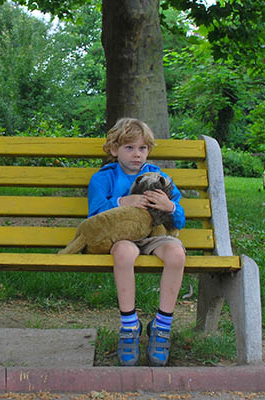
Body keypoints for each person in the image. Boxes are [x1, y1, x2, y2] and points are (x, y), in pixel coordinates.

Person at [87, 118, 186, 367]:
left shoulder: (159, 177)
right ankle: (129, 326)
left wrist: (169, 206)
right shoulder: (104, 178)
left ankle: (162, 326)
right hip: (122, 237)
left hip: (154, 235)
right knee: (123, 254)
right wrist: (121, 202)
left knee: (176, 254)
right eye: (129, 147)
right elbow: (95, 216)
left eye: (142, 148)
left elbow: (180, 220)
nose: (137, 154)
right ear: (114, 149)